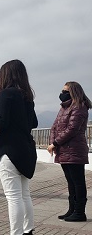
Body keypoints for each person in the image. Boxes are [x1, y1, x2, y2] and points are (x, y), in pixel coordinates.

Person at [0, 60, 38, 235]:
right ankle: (28, 230)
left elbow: (2, 122)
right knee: (25, 195)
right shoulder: (27, 97)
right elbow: (34, 122)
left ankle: (16, 233)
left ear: (5, 75)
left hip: (9, 151)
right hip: (26, 150)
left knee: (13, 197)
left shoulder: (5, 94)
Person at [47, 81, 92, 222]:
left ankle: (80, 212)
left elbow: (72, 129)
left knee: (78, 182)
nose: (62, 93)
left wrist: (55, 143)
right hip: (64, 150)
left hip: (75, 149)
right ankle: (72, 209)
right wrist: (53, 143)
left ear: (73, 92)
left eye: (65, 91)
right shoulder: (64, 108)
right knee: (71, 182)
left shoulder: (79, 107)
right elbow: (54, 126)